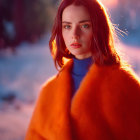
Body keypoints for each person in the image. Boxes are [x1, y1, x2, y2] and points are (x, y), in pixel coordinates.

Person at [25, 0, 140, 139]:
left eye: (85, 25)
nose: (75, 34)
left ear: (99, 29)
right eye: (67, 26)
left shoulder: (124, 85)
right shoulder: (49, 90)